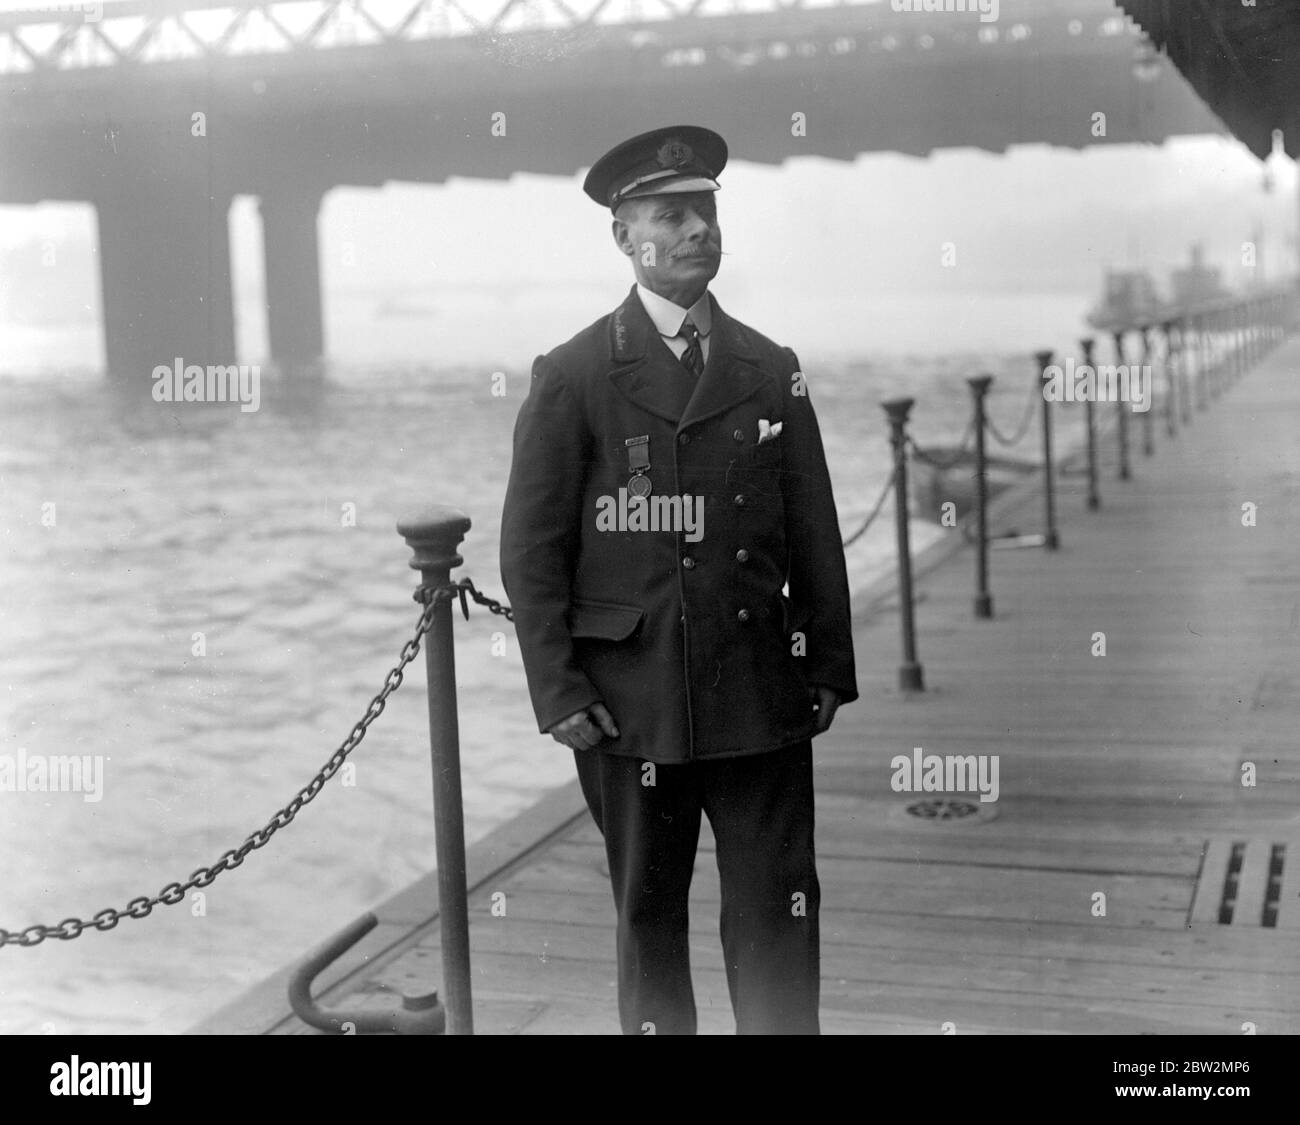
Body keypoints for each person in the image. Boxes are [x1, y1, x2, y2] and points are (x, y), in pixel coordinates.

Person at [499, 125, 857, 1035]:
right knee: (649, 918)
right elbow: (531, 551)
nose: (697, 229)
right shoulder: (574, 375)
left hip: (757, 692)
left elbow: (814, 526)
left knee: (780, 910)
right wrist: (558, 689)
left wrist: (825, 662)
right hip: (630, 703)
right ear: (624, 237)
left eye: (704, 210)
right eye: (671, 214)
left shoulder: (770, 368)